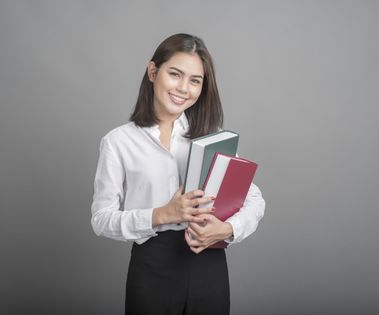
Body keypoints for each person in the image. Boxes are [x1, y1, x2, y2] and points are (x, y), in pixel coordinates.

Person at [91, 33, 265, 315]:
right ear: (153, 71)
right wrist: (163, 214)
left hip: (208, 261)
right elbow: (101, 219)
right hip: (152, 267)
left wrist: (227, 230)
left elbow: (255, 199)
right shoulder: (118, 142)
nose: (184, 88)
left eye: (195, 80)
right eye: (175, 74)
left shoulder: (212, 138)